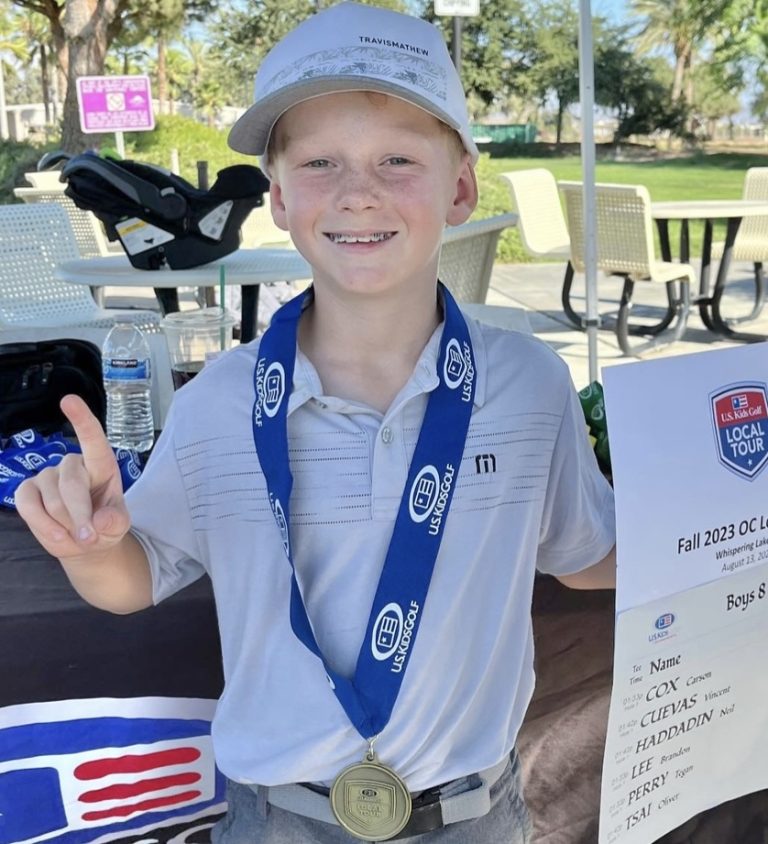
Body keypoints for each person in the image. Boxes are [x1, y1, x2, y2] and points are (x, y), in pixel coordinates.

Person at [16, 3, 616, 842]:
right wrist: (93, 547)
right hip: (279, 819)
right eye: (321, 162)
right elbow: (133, 580)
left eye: (398, 158)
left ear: (462, 188)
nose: (359, 191)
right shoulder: (219, 402)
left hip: (477, 814)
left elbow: (586, 557)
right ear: (282, 197)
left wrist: (718, 519)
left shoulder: (529, 384)